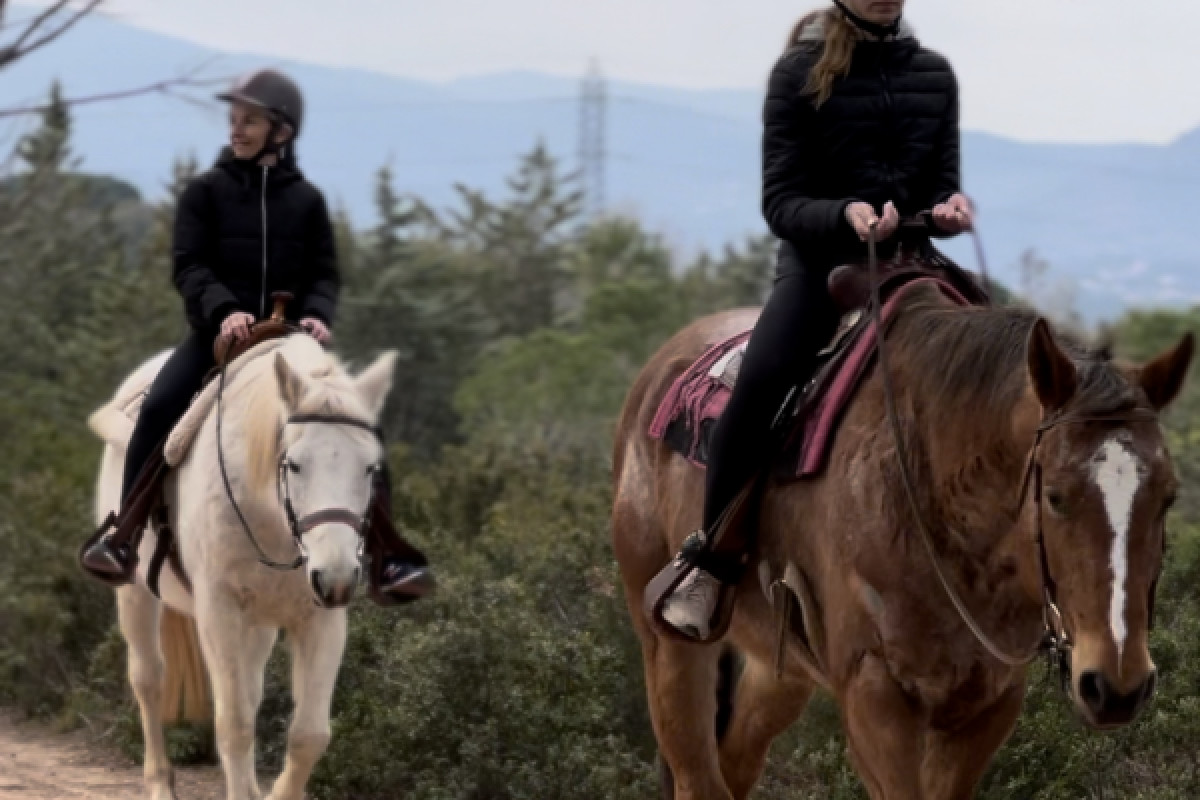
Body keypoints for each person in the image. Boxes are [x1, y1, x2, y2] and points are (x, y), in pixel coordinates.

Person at [657, 0, 974, 641]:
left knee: (1003, 374)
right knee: (761, 384)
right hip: (819, 269)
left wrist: (950, 207)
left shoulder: (935, 76)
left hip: (913, 263)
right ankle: (712, 562)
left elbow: (941, 181)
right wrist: (847, 214)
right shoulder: (797, 74)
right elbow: (781, 202)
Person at [81, 69, 433, 603]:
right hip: (217, 338)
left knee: (360, 428)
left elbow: (324, 275)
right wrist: (224, 310)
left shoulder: (308, 201)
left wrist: (317, 315)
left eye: (249, 120)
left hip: (292, 343)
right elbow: (190, 267)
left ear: (281, 131)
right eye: (234, 119)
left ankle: (389, 558)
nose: (237, 129)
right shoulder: (205, 193)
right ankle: (124, 535)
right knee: (158, 409)